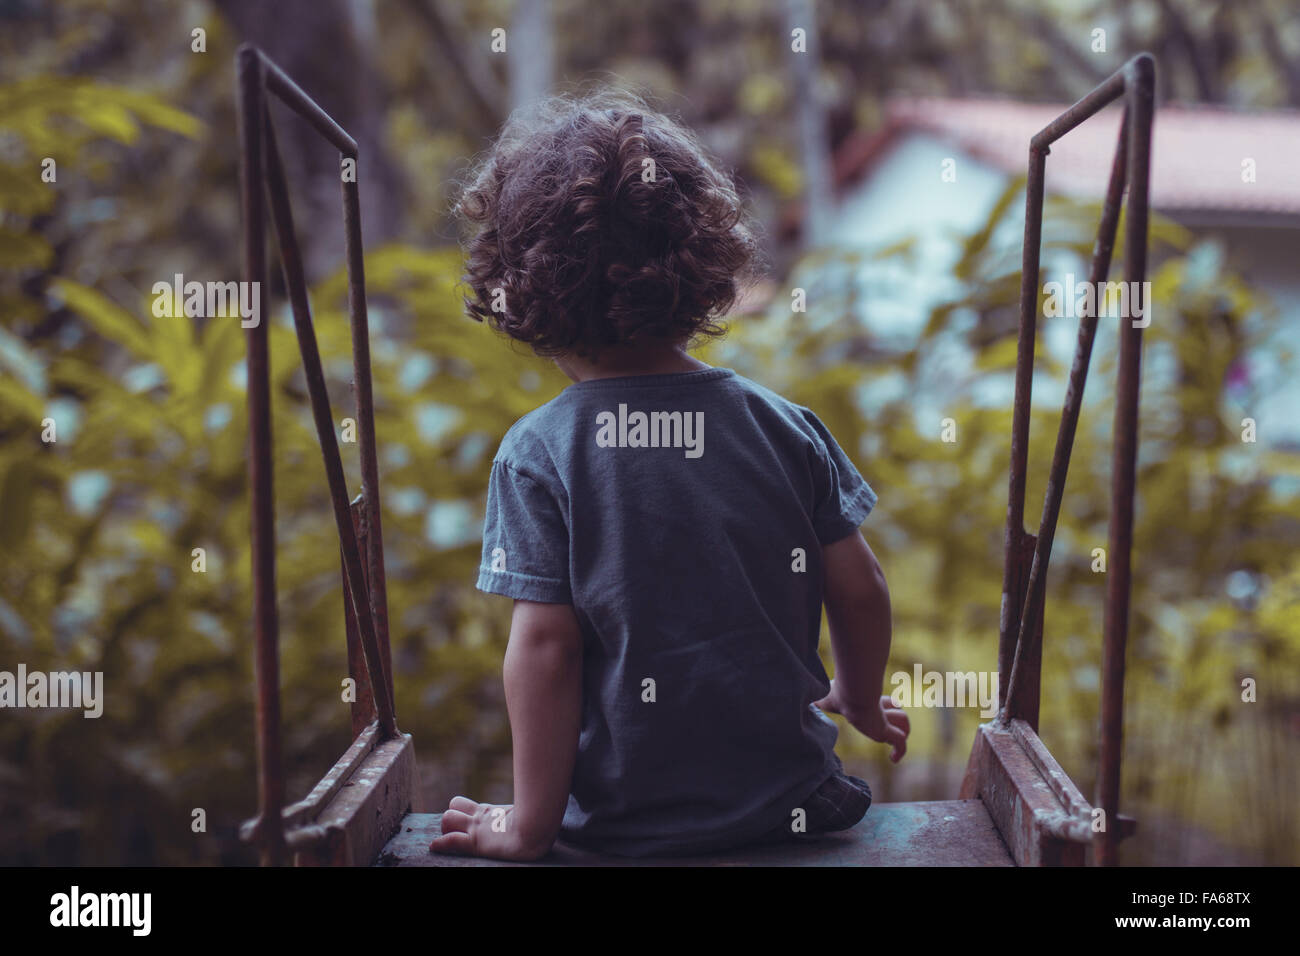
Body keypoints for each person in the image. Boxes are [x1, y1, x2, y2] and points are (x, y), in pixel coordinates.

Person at [430, 91, 908, 861]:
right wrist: (857, 693)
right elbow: (860, 587)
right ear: (702, 260)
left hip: (624, 826)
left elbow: (548, 649)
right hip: (789, 805)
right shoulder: (782, 426)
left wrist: (530, 824)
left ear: (521, 286)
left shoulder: (541, 452)